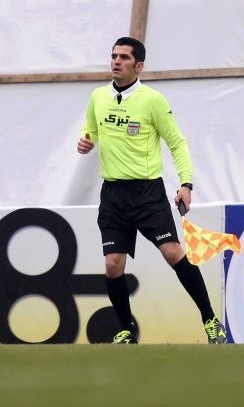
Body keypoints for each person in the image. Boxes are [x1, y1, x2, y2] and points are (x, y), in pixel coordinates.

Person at [76, 36, 226, 344]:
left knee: (172, 252)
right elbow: (90, 129)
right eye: (114, 56)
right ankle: (126, 330)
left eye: (124, 58)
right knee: (113, 264)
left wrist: (186, 184)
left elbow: (177, 142)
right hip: (113, 195)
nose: (116, 62)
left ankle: (210, 319)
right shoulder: (97, 97)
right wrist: (86, 140)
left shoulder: (153, 100)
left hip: (147, 194)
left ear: (139, 65)